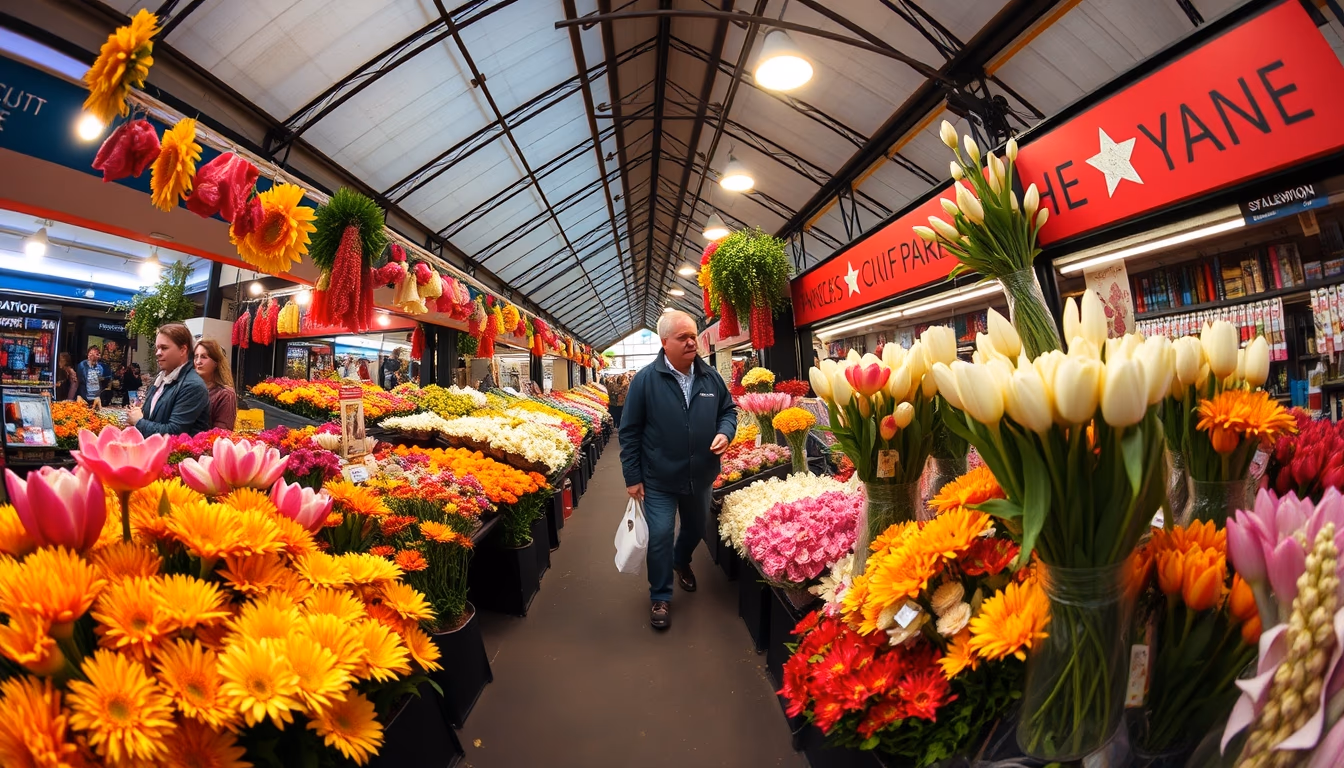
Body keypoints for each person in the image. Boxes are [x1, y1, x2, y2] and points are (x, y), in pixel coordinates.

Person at [620, 310, 736, 630]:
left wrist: (726, 432)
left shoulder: (710, 377)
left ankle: (680, 560)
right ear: (664, 342)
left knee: (696, 528)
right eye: (682, 337)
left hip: (700, 475)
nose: (690, 342)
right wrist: (633, 477)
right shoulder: (646, 380)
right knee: (659, 534)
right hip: (659, 477)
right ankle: (660, 595)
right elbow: (629, 432)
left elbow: (728, 411)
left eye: (693, 335)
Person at [128, 323, 210, 436]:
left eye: (164, 348)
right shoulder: (160, 379)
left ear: (183, 350)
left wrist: (139, 422)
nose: (158, 353)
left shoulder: (192, 386)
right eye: (157, 348)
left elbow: (174, 432)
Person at [194, 339, 238, 431]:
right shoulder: (189, 389)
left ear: (216, 362)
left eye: (204, 357)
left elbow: (221, 433)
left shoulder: (225, 395)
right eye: (196, 356)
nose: (198, 361)